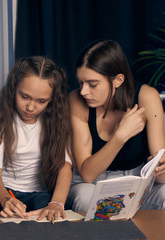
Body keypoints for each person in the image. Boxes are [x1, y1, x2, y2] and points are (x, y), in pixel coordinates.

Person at [69, 39, 165, 212]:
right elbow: (87, 174)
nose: (83, 91)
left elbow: (161, 178)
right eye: (81, 83)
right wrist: (120, 136)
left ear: (118, 80)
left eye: (92, 84)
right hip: (94, 184)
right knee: (84, 197)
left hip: (137, 185)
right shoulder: (77, 101)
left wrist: (162, 168)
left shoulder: (147, 97)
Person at [0, 56, 73, 221]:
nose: (30, 107)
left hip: (39, 194)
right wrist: (5, 199)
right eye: (25, 97)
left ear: (51, 100)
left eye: (41, 101)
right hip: (5, 189)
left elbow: (65, 166)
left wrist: (57, 203)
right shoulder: (0, 118)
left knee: (48, 212)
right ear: (14, 88)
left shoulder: (57, 122)